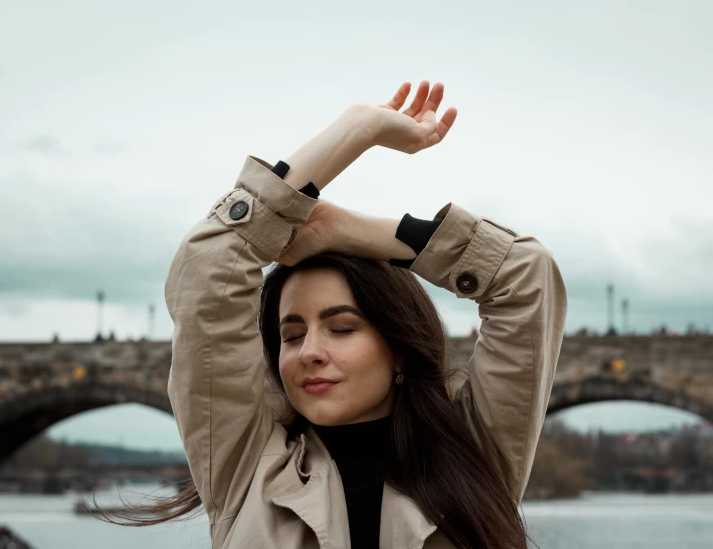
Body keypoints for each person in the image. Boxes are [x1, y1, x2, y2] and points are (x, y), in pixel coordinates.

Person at [95, 81, 567, 549]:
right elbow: (208, 271)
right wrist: (357, 128)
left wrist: (355, 231)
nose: (311, 352)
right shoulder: (244, 464)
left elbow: (528, 276)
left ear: (399, 349)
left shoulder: (473, 452)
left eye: (341, 328)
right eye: (292, 335)